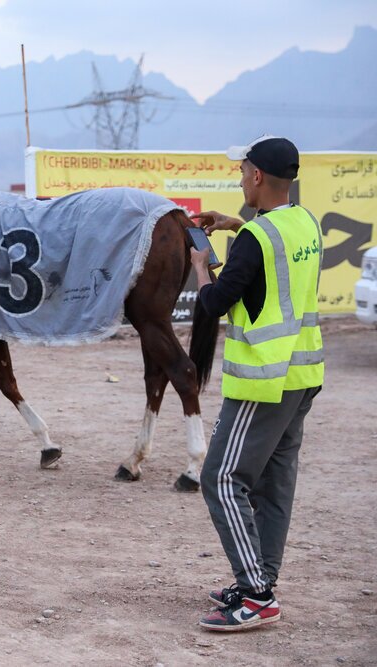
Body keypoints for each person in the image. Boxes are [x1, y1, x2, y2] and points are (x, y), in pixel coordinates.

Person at [190, 136, 324, 632]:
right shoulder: (303, 220)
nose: (239, 178)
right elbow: (275, 252)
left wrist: (201, 267)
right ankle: (259, 577)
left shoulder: (255, 240)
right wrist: (235, 224)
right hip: (302, 375)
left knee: (221, 479)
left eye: (242, 171)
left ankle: (258, 594)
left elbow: (214, 302)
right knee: (274, 484)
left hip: (263, 381)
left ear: (257, 177)